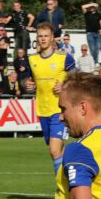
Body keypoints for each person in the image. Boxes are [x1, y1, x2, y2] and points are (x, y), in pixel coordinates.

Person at [28, 23, 75, 181]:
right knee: (57, 152)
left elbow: (75, 79)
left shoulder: (64, 58)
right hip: (42, 110)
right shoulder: (32, 60)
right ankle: (70, 188)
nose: (43, 39)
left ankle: (62, 193)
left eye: (46, 36)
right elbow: (29, 82)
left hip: (60, 111)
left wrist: (64, 85)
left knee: (54, 150)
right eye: (40, 36)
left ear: (52, 38)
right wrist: (27, 85)